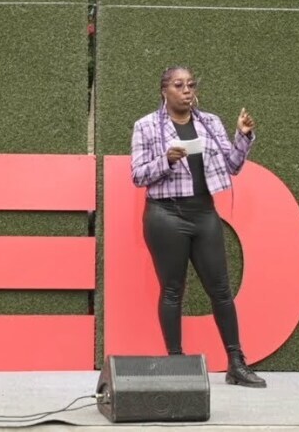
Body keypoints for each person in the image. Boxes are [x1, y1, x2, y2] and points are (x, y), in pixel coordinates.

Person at [129, 65, 265, 389]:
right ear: (164, 91)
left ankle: (236, 363)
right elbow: (137, 175)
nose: (186, 90)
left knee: (221, 290)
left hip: (204, 213)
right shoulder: (146, 126)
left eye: (190, 84)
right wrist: (166, 160)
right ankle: (177, 364)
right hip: (166, 215)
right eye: (178, 85)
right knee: (173, 290)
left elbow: (232, 166)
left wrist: (243, 136)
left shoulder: (210, 123)